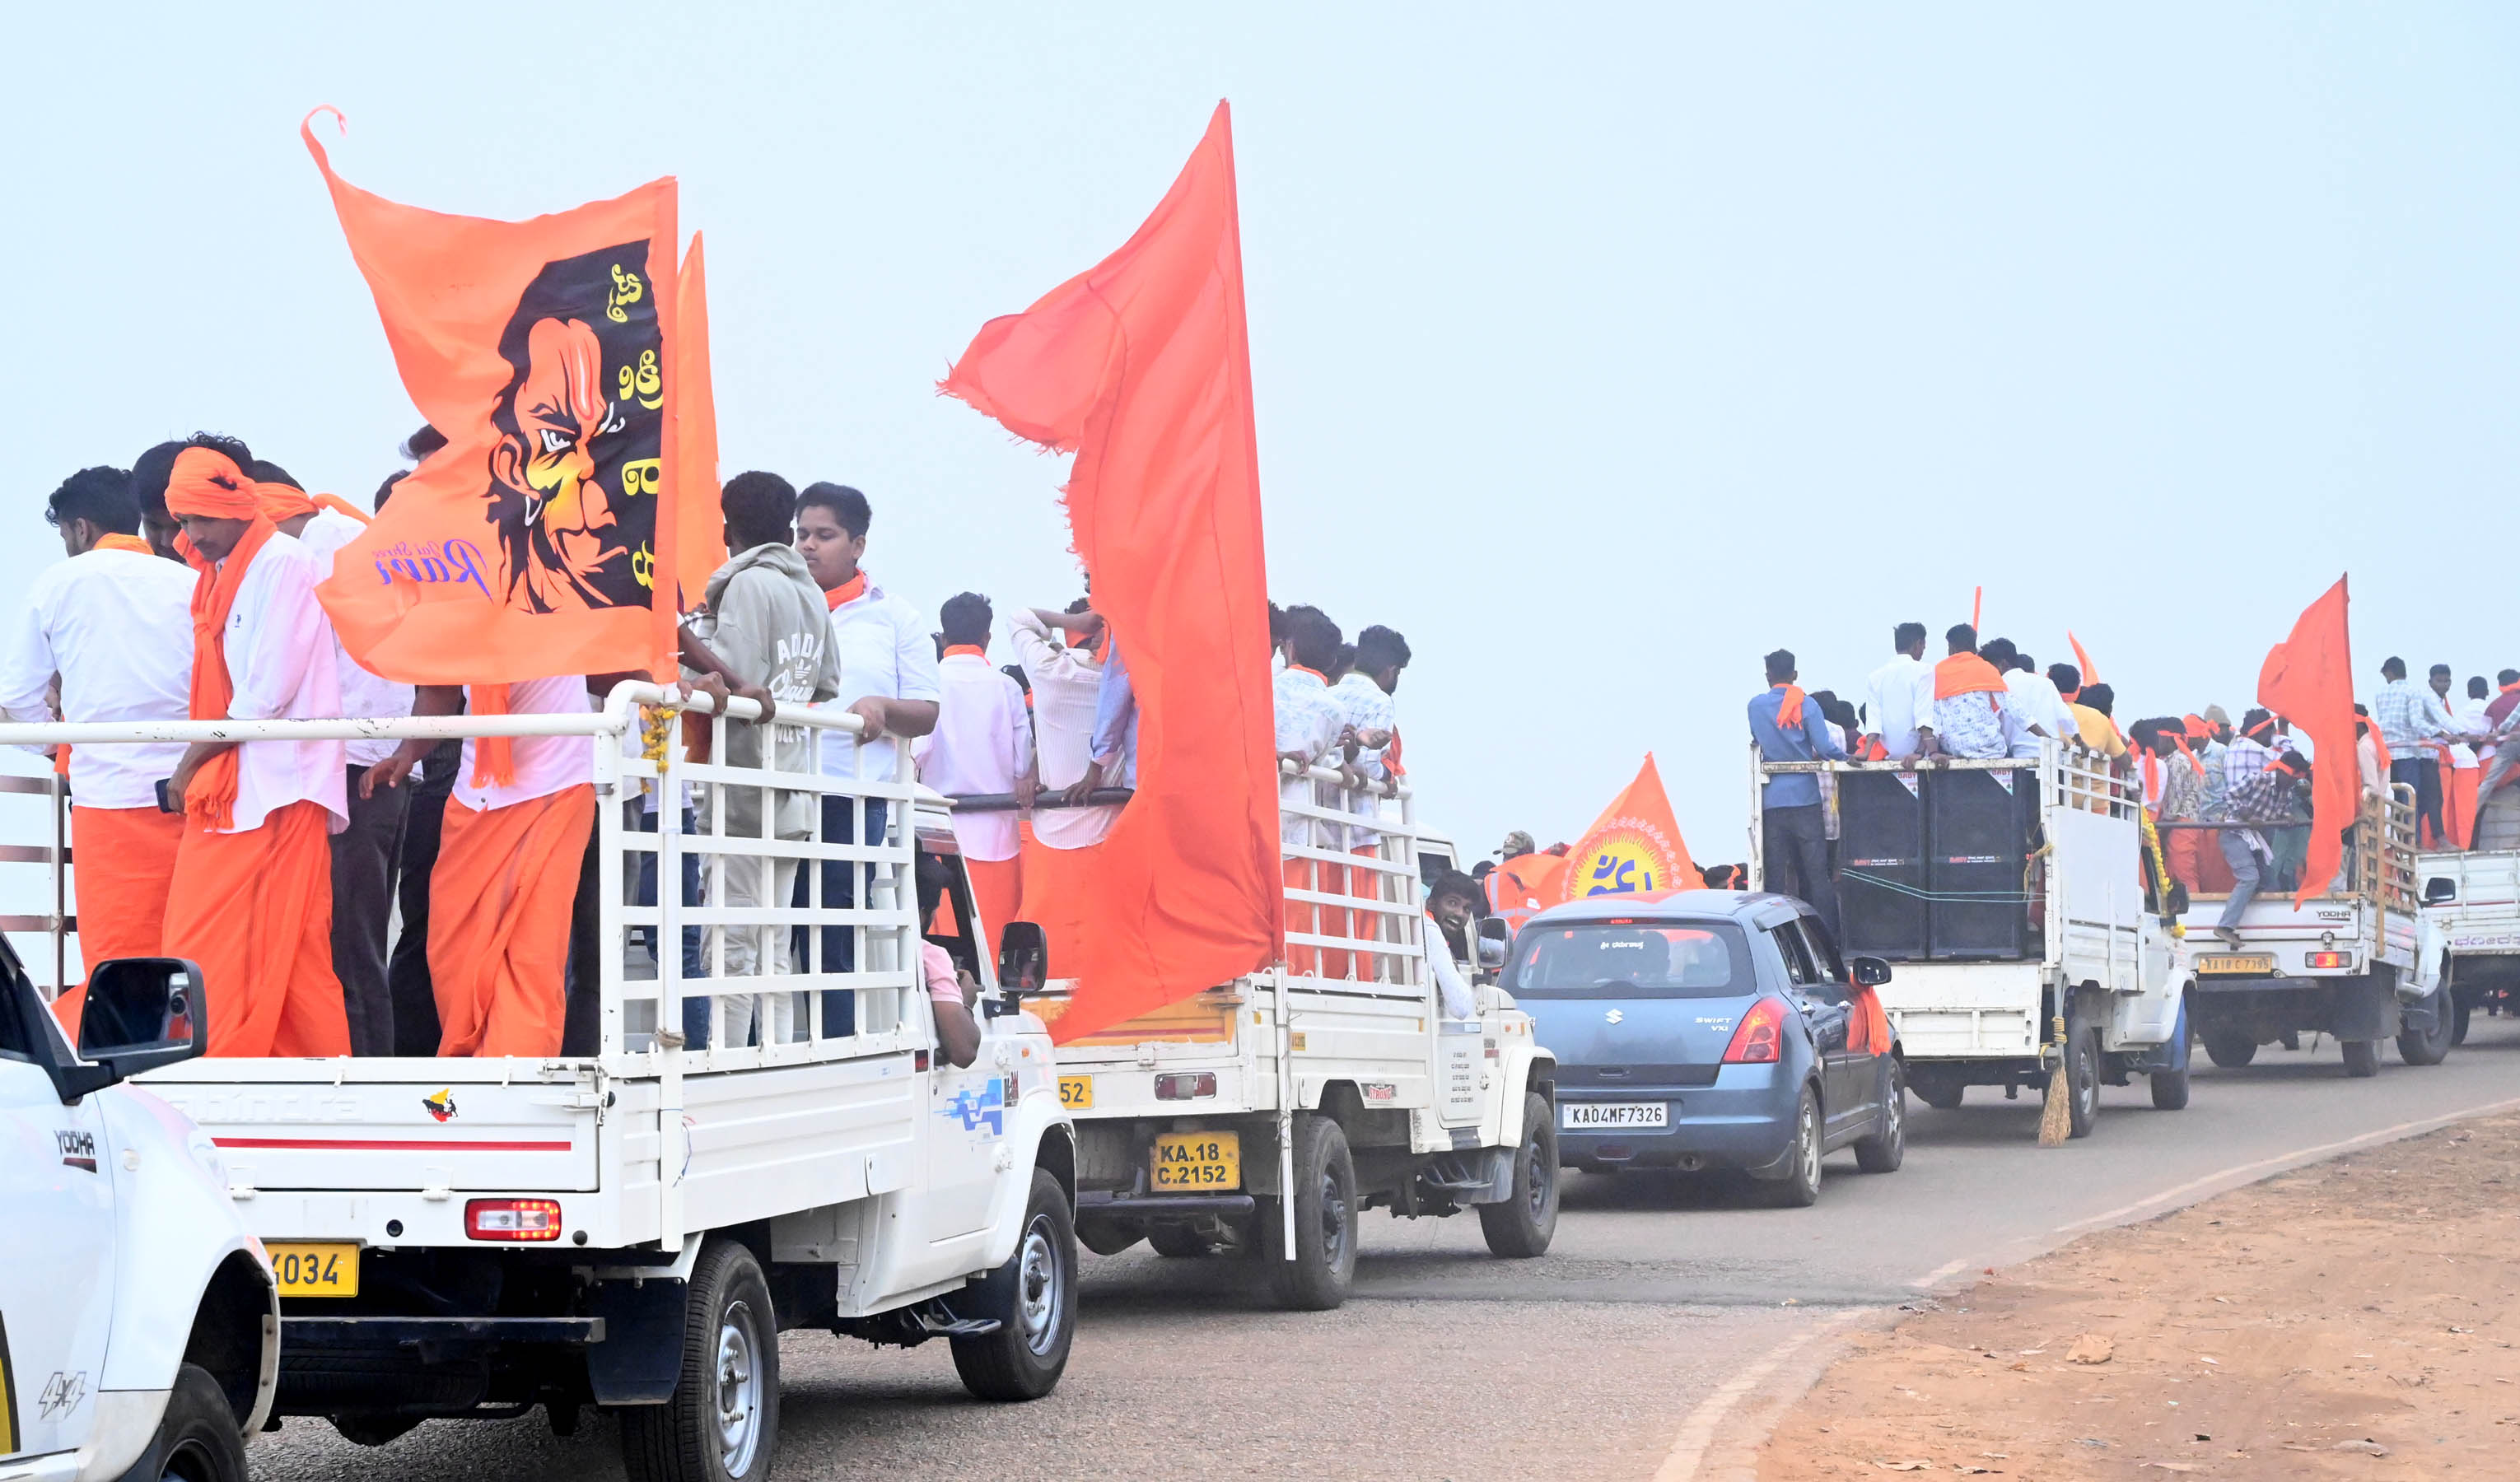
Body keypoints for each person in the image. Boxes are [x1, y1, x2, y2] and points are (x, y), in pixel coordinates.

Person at [154, 449, 352, 1057]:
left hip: (280, 784)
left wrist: (190, 763)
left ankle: (280, 1069)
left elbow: (267, 690)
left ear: (232, 508)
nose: (192, 537)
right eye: (184, 523)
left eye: (200, 521)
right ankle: (268, 1064)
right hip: (238, 784)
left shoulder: (286, 563)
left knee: (284, 944)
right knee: (229, 938)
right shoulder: (220, 577)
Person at [0, 467, 197, 1036]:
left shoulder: (61, 584)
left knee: (119, 953)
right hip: (190, 786)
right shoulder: (184, 582)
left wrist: (51, 748)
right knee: (186, 943)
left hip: (108, 793)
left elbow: (17, 694)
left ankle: (130, 1066)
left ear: (80, 529)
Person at [682, 471, 840, 1048]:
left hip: (742, 790)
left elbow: (726, 678)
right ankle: (772, 1057)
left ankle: (724, 1066)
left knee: (730, 939)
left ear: (729, 526)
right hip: (791, 785)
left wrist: (685, 652)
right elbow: (827, 682)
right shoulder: (809, 592)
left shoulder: (749, 586)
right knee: (773, 941)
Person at [264, 469, 418, 1056]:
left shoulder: (312, 549)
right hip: (376, 763)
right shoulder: (348, 536)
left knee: (347, 945)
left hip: (352, 767)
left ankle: (368, 1077)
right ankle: (371, 1069)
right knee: (360, 941)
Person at [793, 483, 940, 1034]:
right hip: (772, 789)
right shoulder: (778, 604)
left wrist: (880, 706)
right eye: (801, 533)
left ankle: (832, 1045)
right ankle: (770, 1046)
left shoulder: (894, 617)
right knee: (769, 931)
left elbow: (926, 712)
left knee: (833, 929)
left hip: (850, 799)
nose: (809, 546)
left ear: (857, 545)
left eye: (824, 535)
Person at [916, 592, 1032, 958]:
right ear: (987, 637)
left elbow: (915, 753)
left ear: (944, 636)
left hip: (938, 838)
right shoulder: (1008, 687)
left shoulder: (929, 683)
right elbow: (1022, 767)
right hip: (997, 839)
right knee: (995, 954)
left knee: (941, 955)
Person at [1009, 598, 1117, 972]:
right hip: (1111, 832)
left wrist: (1072, 619)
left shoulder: (1049, 670)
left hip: (1049, 838)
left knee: (1043, 952)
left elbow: (1019, 615)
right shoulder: (1126, 678)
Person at [1331, 625, 1411, 977]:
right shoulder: (1381, 701)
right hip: (1359, 831)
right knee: (1359, 923)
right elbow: (1370, 768)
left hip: (1316, 830)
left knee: (1326, 919)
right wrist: (1388, 779)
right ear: (1390, 671)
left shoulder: (1330, 693)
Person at [1750, 648, 1846, 939]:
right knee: (1817, 876)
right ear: (1795, 675)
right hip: (1805, 799)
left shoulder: (1755, 706)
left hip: (1771, 801)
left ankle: (1777, 944)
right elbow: (1825, 747)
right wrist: (1847, 757)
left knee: (1776, 879)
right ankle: (1828, 942)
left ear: (1768, 676)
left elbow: (1758, 740)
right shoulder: (1806, 705)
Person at [1274, 605, 1349, 973]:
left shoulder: (1260, 688)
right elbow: (1327, 761)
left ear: (1289, 648)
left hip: (1240, 824)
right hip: (1294, 827)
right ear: (1333, 659)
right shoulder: (1334, 709)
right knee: (1293, 924)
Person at [2214, 752, 2310, 946]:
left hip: (2257, 839)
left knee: (2270, 883)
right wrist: (2247, 815)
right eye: (2294, 778)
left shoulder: (2286, 791)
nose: (2294, 783)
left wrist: (2287, 818)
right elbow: (2228, 795)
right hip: (2236, 832)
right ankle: (2224, 927)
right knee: (2250, 877)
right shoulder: (2258, 779)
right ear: (2284, 772)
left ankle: (2264, 930)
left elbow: (2280, 812)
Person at [130, 432, 251, 563]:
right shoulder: (129, 570)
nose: (168, 542)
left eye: (181, 524)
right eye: (154, 526)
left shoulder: (256, 564)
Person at [2373, 656, 2452, 845]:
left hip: (2387, 755)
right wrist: (2440, 734)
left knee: (2395, 799)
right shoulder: (2413, 692)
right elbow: (2417, 724)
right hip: (2408, 754)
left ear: (2390, 672)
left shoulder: (2380, 694)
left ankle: (2399, 841)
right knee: (2411, 800)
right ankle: (2414, 843)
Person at [1929, 626, 2015, 761]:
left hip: (1954, 752)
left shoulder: (1936, 672)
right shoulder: (1988, 669)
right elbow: (2013, 709)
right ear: (1974, 648)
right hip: (1993, 751)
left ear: (1952, 648)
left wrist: (1932, 752)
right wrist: (2044, 736)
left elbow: (1934, 718)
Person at [1863, 622, 1938, 760]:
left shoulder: (1874, 677)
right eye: (1923, 647)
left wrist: (1866, 753)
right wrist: (1933, 752)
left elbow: (1873, 722)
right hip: (1921, 755)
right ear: (1918, 644)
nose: (1922, 652)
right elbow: (1923, 715)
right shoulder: (1925, 671)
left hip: (1891, 756)